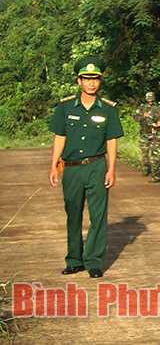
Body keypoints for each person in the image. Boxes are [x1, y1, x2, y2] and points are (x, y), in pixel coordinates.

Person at [48, 56, 124, 278]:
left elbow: (112, 140)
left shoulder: (108, 110)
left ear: (100, 81)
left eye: (95, 79)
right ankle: (74, 260)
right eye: (87, 78)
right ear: (78, 80)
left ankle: (94, 262)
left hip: (97, 166)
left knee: (98, 215)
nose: (91, 83)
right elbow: (59, 137)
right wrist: (54, 165)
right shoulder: (64, 108)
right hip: (71, 169)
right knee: (73, 213)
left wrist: (111, 169)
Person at [133, 92, 156, 176]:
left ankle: (155, 172)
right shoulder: (142, 108)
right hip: (144, 134)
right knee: (145, 154)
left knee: (155, 154)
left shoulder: (157, 108)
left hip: (155, 134)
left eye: (152, 99)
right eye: (149, 99)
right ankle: (146, 170)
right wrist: (143, 116)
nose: (150, 101)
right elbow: (135, 117)